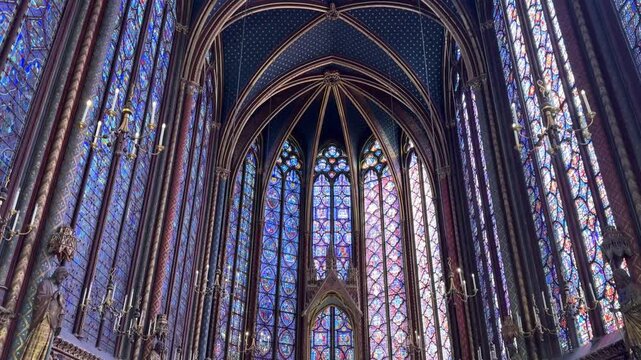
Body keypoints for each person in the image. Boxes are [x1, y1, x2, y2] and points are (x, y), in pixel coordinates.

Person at [21, 266, 69, 360]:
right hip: (43, 318)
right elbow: (39, 298)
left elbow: (60, 307)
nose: (62, 279)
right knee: (36, 343)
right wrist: (52, 296)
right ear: (57, 273)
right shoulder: (46, 283)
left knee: (43, 348)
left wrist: (60, 302)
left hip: (51, 323)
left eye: (64, 278)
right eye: (62, 277)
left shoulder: (58, 289)